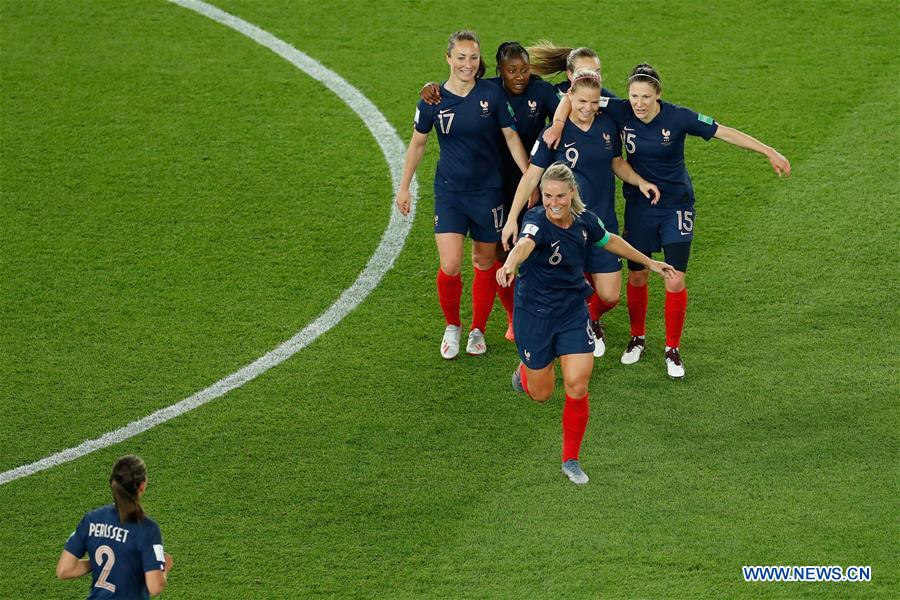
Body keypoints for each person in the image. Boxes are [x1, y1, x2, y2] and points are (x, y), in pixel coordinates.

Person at [544, 63, 790, 379]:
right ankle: (637, 338)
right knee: (637, 277)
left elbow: (723, 131)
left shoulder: (679, 117)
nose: (640, 103)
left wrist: (767, 150)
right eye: (634, 96)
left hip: (676, 206)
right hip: (640, 207)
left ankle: (672, 349)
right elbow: (572, 96)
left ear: (658, 95)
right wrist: (559, 123)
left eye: (646, 96)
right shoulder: (619, 109)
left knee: (674, 278)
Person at [497, 163, 675, 484]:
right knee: (541, 394)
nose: (553, 202)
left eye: (560, 196)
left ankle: (571, 460)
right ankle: (525, 374)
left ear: (572, 193)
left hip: (572, 314)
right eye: (548, 195)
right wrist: (510, 263)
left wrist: (650, 262)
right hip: (535, 317)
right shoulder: (536, 220)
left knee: (578, 385)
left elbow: (611, 241)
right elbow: (524, 244)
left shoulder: (585, 222)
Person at [502, 69, 659, 358]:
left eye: (594, 102)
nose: (588, 108)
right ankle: (559, 337)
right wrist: (512, 218)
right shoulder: (552, 134)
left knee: (610, 296)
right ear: (569, 98)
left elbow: (616, 163)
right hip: (564, 229)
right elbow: (531, 176)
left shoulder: (607, 126)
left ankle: (591, 318)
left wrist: (640, 181)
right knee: (561, 290)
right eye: (582, 101)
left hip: (601, 224)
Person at [395, 30, 531, 359]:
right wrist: (404, 186)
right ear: (448, 59)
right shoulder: (432, 99)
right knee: (451, 263)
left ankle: (477, 330)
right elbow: (418, 143)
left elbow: (512, 139)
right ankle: (453, 325)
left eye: (472, 57)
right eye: (460, 57)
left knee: (484, 262)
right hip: (450, 192)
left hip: (489, 193)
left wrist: (531, 178)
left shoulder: (492, 94)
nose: (467, 64)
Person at [419, 41, 560, 342]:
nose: (519, 76)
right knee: (500, 252)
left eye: (524, 69)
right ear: (500, 71)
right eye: (512, 71)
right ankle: (512, 317)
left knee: (541, 247)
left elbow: (569, 101)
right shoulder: (489, 89)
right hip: (497, 184)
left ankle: (552, 313)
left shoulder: (540, 91)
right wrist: (430, 87)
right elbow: (456, 85)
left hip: (528, 179)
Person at [56, 455, 173, 598]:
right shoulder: (147, 528)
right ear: (142, 486)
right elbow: (155, 586)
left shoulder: (92, 519)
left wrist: (99, 562)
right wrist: (165, 566)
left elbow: (64, 570)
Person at [527, 42, 617, 99]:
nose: (591, 77)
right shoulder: (554, 95)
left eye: (596, 72)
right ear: (570, 74)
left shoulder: (608, 99)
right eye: (584, 72)